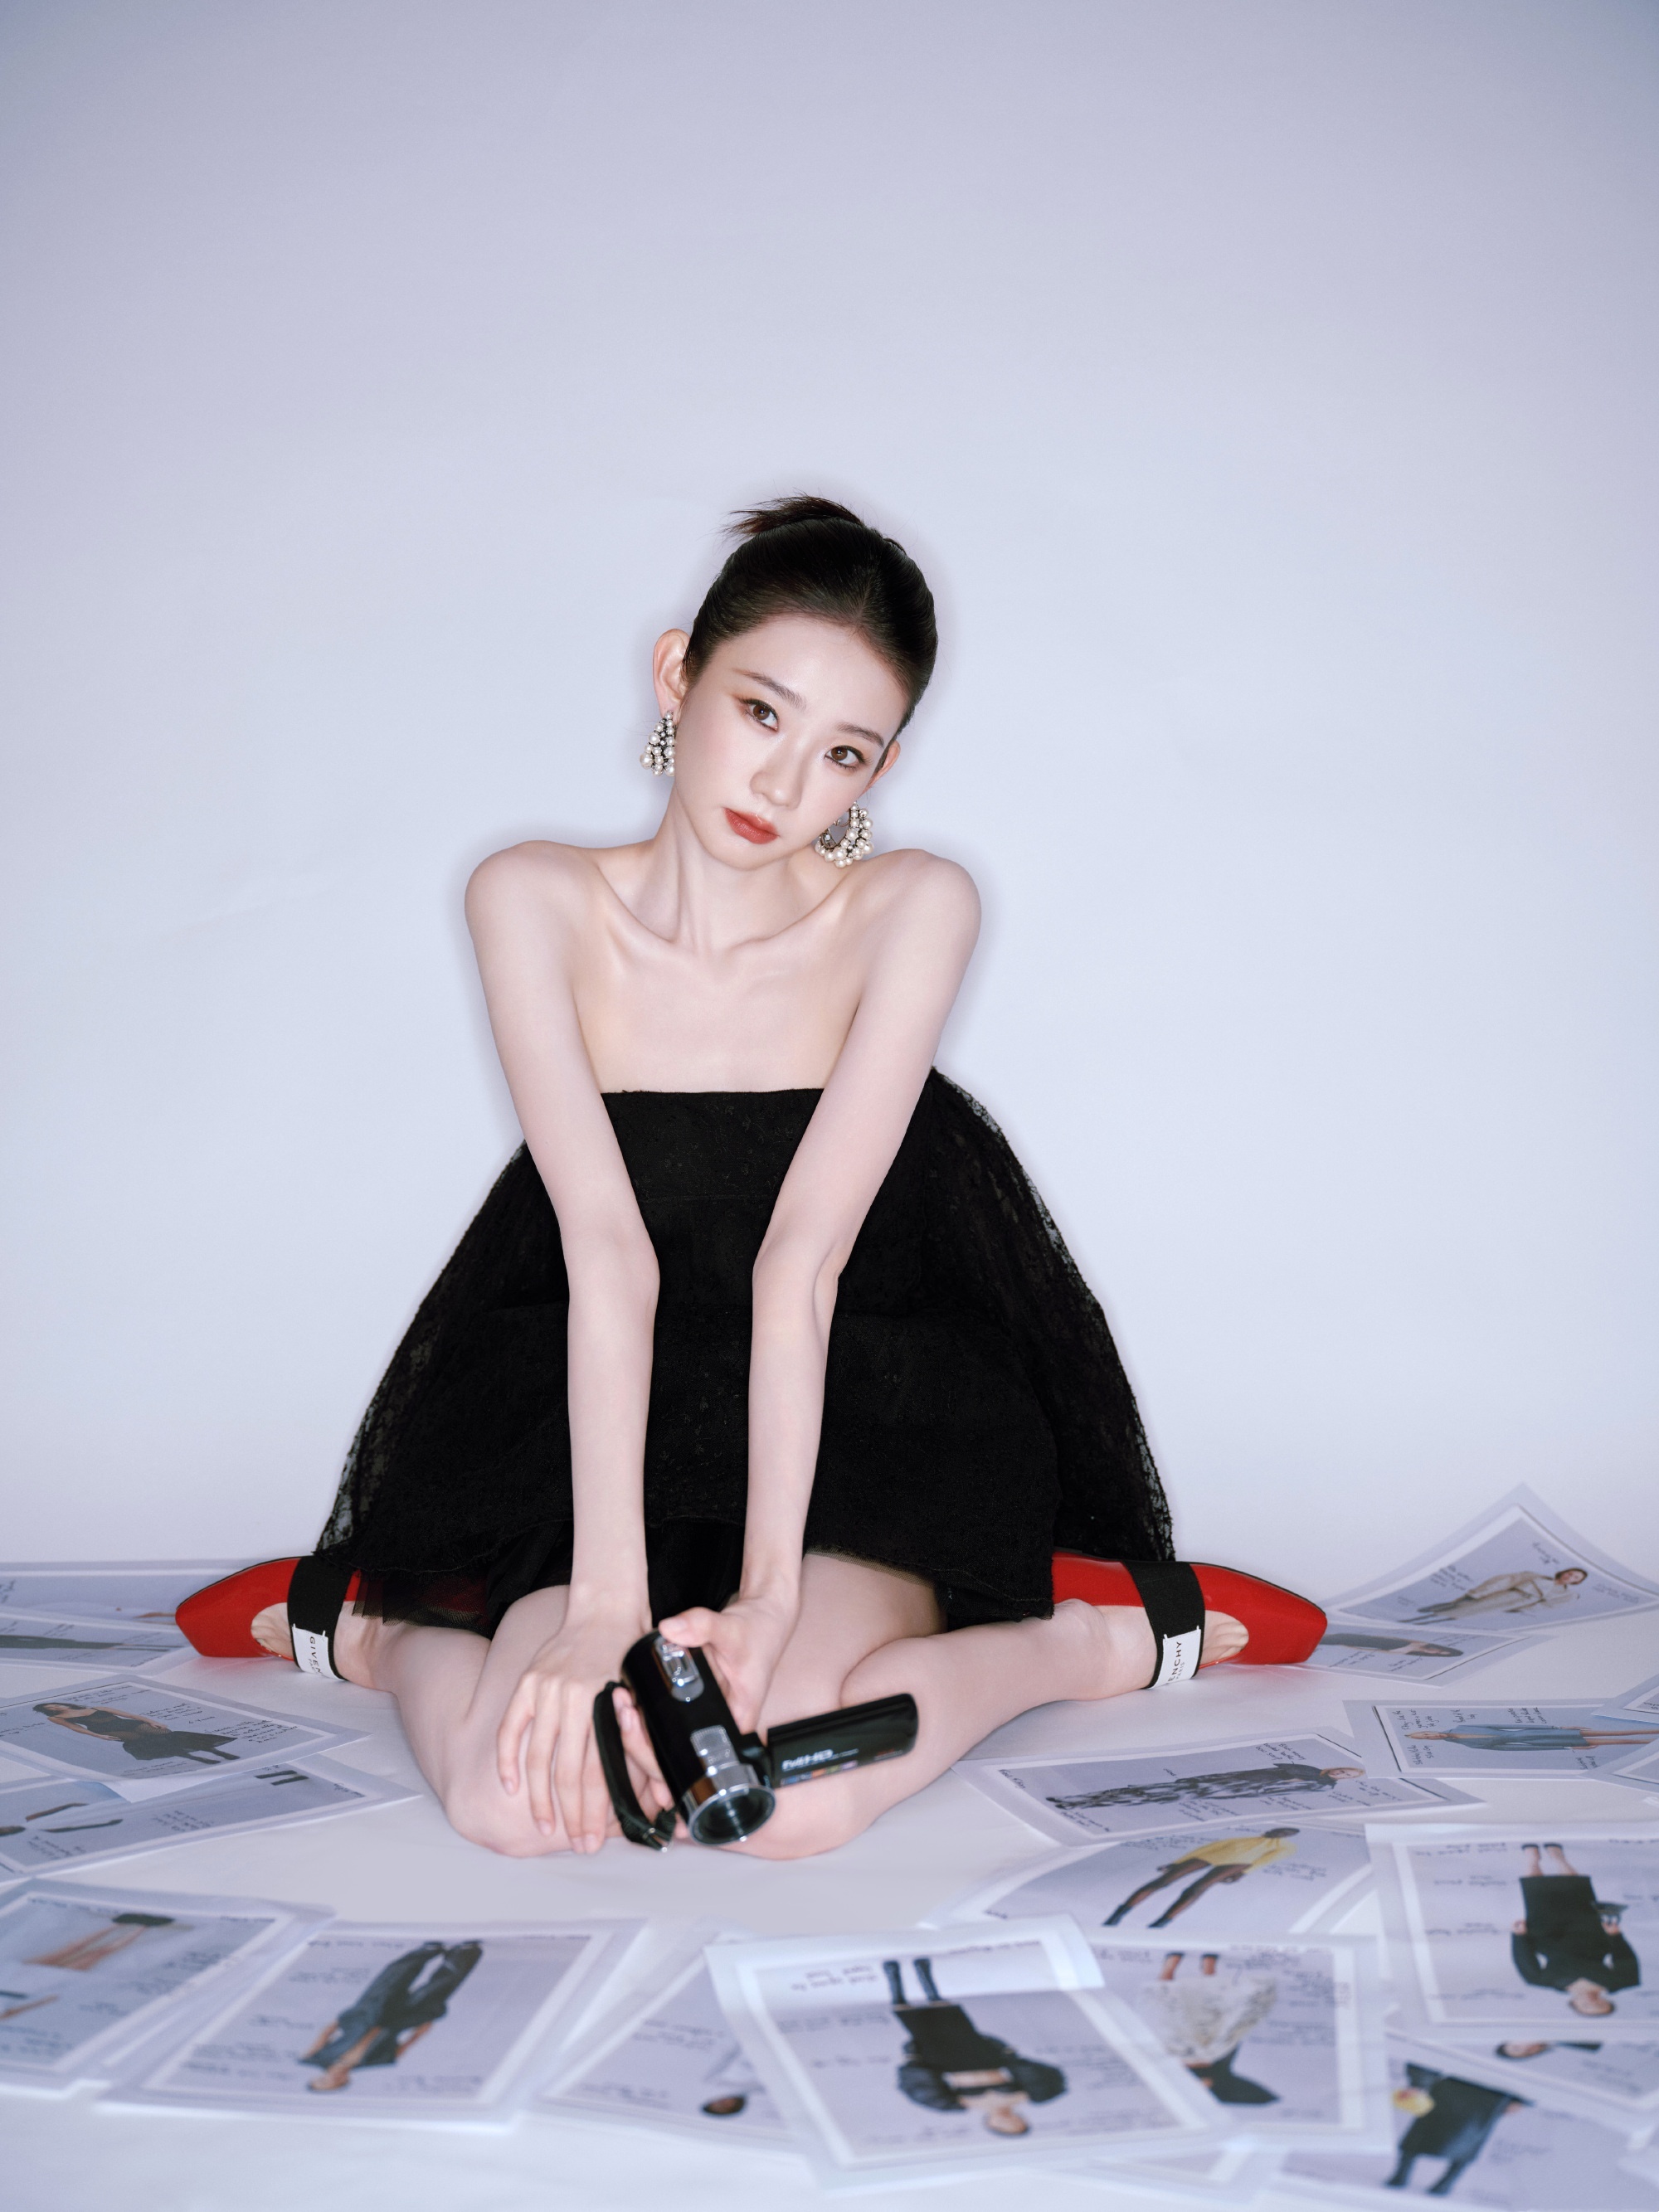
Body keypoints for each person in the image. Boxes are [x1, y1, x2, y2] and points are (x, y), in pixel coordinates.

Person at [176, 498, 1324, 1859]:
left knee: (789, 1802)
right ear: (679, 675)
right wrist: (603, 1604)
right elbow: (607, 1251)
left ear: (882, 766)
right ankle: (376, 1634)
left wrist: (770, 1599)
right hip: (603, 1376)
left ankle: (1081, 1642)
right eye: (761, 711)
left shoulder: (910, 906)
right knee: (510, 1802)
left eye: (842, 752)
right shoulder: (531, 897)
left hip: (857, 1376)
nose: (782, 786)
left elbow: (804, 1264)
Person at [883, 1957, 1064, 2133]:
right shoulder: (1025, 2096)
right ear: (1023, 2119)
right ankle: (923, 1971)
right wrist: (1008, 2055)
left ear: (991, 2125)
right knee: (950, 2017)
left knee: (916, 2024)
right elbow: (1038, 2072)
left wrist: (915, 2061)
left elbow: (921, 2088)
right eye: (1016, 2123)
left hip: (945, 2060)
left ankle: (892, 1975)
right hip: (980, 2056)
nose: (1008, 2120)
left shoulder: (963, 2105)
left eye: (1004, 2126)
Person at [300, 1941, 482, 2093]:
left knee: (391, 1980)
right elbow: (402, 2049)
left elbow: (325, 2034)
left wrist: (349, 2015)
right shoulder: (372, 2063)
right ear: (345, 2081)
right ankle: (464, 1954)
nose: (333, 2078)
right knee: (433, 1992)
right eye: (336, 2083)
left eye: (324, 2080)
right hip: (397, 2023)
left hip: (365, 2017)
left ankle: (426, 1951)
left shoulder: (316, 2057)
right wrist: (420, 2033)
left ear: (318, 2076)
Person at [1510, 1843, 1638, 2018]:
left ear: (1574, 2005)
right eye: (1600, 2005)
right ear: (1607, 2002)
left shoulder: (1542, 1982)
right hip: (1591, 1936)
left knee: (1535, 1894)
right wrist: (1616, 1936)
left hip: (1548, 1936)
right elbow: (1625, 1960)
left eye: (1586, 2007)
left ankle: (1532, 1859)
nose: (1592, 2002)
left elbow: (1524, 1959)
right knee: (1577, 1892)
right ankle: (1559, 1858)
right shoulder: (1621, 1982)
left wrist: (1519, 1936)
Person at [1135, 1952, 1278, 2104]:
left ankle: (1171, 1966)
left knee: (1165, 2010)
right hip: (1206, 2051)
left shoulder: (1172, 2091)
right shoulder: (1218, 2087)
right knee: (1210, 2013)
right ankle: (1208, 1967)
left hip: (1176, 2050)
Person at [1103, 1830, 1300, 1926]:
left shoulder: (1284, 1846)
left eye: (1286, 1833)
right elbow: (1207, 1848)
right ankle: (1119, 1913)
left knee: (1196, 1889)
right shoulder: (1242, 1838)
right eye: (1280, 1830)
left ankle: (1162, 1922)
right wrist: (1178, 1862)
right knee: (1163, 1881)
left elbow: (1268, 1859)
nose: (1280, 1833)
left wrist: (1243, 1873)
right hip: (1212, 1856)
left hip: (1240, 1863)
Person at [1385, 2063, 1525, 2195]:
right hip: (1451, 2088)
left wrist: (1519, 2100)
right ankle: (1400, 2176)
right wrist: (1419, 2083)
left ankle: (1445, 2184)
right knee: (1418, 2136)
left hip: (1491, 2099)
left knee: (1469, 2145)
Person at [1052, 1763, 1364, 1812]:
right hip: (1221, 1781)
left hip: (1226, 1791)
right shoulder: (1309, 1768)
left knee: (1148, 1796)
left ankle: (1081, 1803)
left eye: (1348, 1775)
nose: (1342, 1773)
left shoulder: (1321, 1787)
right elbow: (1253, 1771)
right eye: (1345, 1768)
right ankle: (1082, 1799)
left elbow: (1275, 1791)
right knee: (1146, 1788)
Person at [32, 1701, 237, 1766]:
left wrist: (151, 1721)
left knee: (165, 1734)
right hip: (111, 1730)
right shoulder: (56, 1718)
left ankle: (214, 1751)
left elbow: (127, 1714)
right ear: (48, 1711)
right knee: (144, 1742)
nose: (56, 1707)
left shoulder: (95, 1706)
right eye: (51, 1708)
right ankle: (195, 1757)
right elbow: (75, 1728)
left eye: (56, 1704)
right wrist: (99, 1737)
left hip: (128, 1724)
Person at [1405, 1568, 1587, 1623]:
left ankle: (1425, 1623)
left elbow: (1546, 1605)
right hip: (1503, 1595)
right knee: (1463, 1606)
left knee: (1467, 1615)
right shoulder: (1534, 1576)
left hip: (1511, 1606)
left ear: (1576, 1582)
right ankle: (1416, 1618)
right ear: (1564, 1572)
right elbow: (1505, 1581)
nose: (1570, 1577)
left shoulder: (1566, 1595)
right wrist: (1481, 1592)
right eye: (1570, 1573)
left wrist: (1522, 1609)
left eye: (1575, 1578)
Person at [1409, 1722, 1659, 1756]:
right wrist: (1566, 1746)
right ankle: (1650, 1743)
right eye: (1427, 1738)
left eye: (1427, 1732)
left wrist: (1557, 1727)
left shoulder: (1463, 1726)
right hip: (1539, 1742)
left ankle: (1653, 1732)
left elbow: (1509, 1727)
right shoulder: (1468, 1744)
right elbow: (1515, 1750)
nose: (1432, 1735)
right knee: (1617, 1742)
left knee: (1615, 1733)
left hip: (1538, 1732)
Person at [1316, 1632, 1463, 1659]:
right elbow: (1393, 1638)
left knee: (1333, 1640)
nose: (1436, 1651)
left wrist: (1356, 1648)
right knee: (1336, 1636)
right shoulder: (1420, 1643)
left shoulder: (1407, 1652)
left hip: (1360, 1642)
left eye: (1439, 1654)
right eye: (1441, 1650)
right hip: (1365, 1637)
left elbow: (1382, 1651)